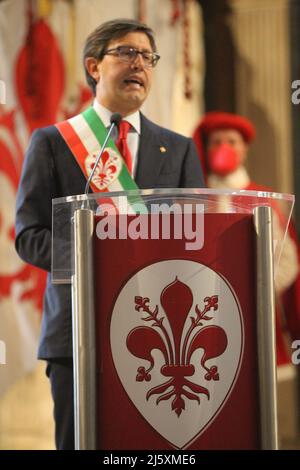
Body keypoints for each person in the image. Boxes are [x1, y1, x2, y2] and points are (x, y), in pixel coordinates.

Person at [15, 19, 205, 450]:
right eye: (126, 52)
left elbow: (198, 238)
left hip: (161, 334)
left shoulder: (178, 149)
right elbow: (29, 237)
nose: (139, 62)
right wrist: (96, 254)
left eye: (147, 56)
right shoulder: (54, 142)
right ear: (94, 66)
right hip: (77, 331)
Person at [193, 110, 300, 365]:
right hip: (204, 313)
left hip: (255, 310)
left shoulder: (264, 197)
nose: (224, 148)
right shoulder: (196, 197)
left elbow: (288, 261)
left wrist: (256, 289)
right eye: (217, 142)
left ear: (244, 149)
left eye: (231, 142)